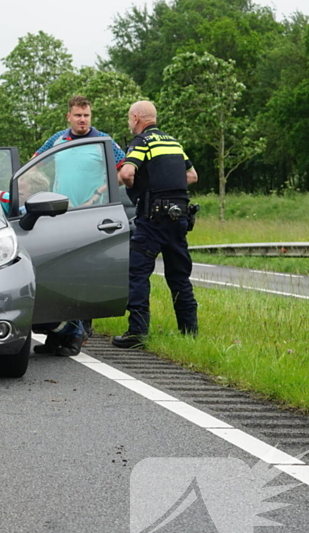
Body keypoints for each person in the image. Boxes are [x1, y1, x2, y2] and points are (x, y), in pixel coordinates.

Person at [31, 96, 126, 357]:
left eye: (86, 115)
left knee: (83, 274)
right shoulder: (57, 140)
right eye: (78, 115)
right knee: (59, 274)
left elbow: (125, 170)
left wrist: (99, 192)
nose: (83, 120)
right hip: (59, 215)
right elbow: (35, 163)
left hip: (91, 216)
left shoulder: (103, 142)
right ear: (68, 116)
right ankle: (59, 333)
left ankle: (78, 332)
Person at [112, 100, 199, 348]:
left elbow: (128, 173)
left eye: (130, 118)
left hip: (151, 219)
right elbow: (192, 176)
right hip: (179, 217)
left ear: (137, 118)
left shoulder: (141, 142)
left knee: (138, 273)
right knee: (179, 276)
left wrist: (136, 187)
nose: (130, 123)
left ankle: (137, 332)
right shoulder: (173, 142)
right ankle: (190, 333)